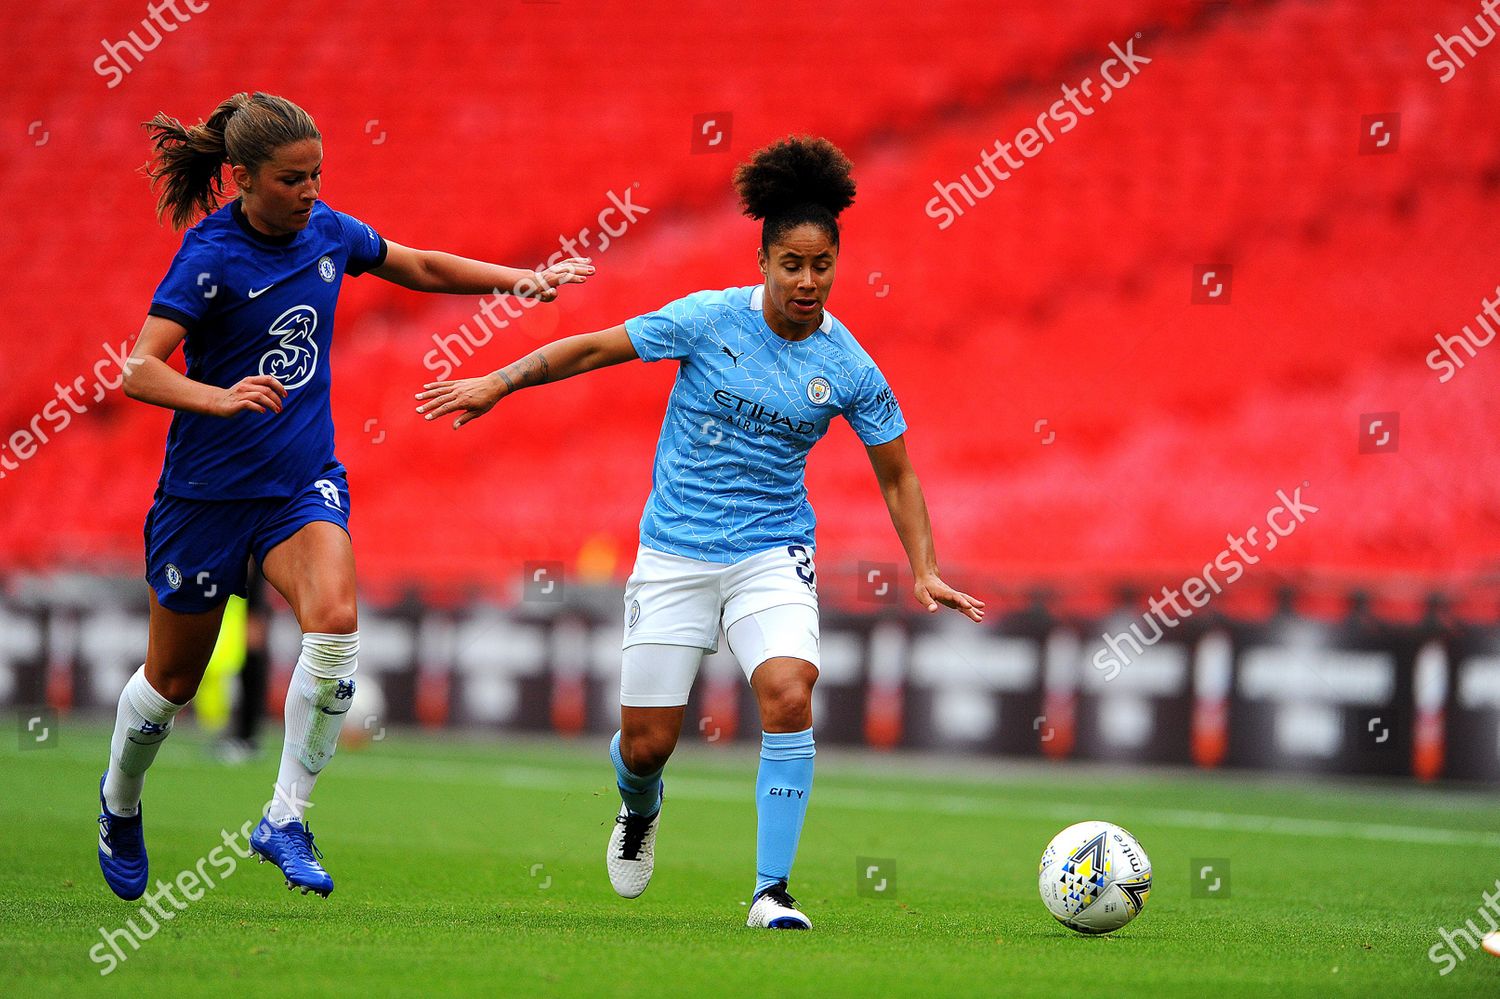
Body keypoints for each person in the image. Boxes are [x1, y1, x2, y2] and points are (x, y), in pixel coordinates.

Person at [415, 135, 983, 929]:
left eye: (822, 265)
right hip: (674, 552)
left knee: (790, 693)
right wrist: (500, 381)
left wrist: (923, 566)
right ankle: (639, 808)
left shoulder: (850, 364)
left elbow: (898, 472)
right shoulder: (706, 319)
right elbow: (593, 347)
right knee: (647, 746)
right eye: (792, 262)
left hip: (771, 552)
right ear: (762, 259)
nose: (808, 280)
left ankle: (771, 892)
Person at [96, 91, 593, 901]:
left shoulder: (328, 232)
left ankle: (285, 816)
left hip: (299, 480)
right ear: (243, 179)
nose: (310, 192)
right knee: (172, 684)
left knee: (334, 624)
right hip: (207, 493)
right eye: (292, 179)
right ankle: (119, 801)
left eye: (317, 175)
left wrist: (523, 281)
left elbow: (419, 265)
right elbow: (138, 367)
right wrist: (218, 397)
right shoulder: (210, 257)